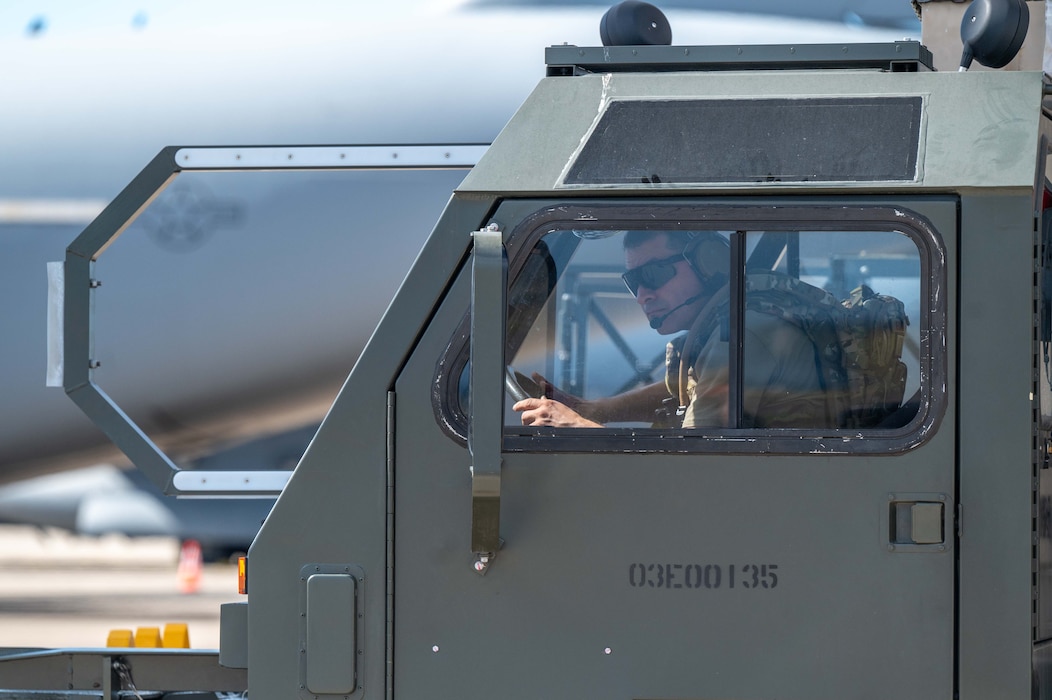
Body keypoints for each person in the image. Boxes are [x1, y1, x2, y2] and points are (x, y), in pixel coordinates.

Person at [512, 230, 829, 429]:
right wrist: (590, 410)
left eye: (652, 274)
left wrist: (577, 426)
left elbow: (686, 470)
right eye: (633, 282)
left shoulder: (740, 339)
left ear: (709, 263)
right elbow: (681, 390)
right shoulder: (729, 325)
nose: (642, 295)